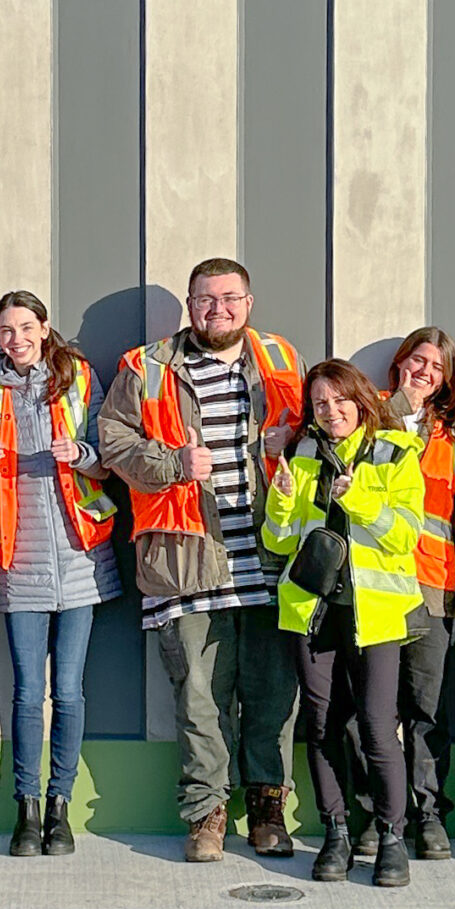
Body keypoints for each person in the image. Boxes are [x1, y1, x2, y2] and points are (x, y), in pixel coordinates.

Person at [99, 257, 307, 863]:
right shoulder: (146, 366)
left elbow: (323, 424)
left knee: (273, 694)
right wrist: (171, 465)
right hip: (183, 560)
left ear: (249, 301)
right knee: (198, 698)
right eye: (204, 299)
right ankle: (206, 813)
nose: (217, 309)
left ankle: (269, 805)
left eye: (228, 298)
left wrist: (289, 442)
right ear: (189, 305)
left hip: (271, 557)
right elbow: (113, 439)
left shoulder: (281, 359)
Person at [0, 290, 121, 858]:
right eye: (5, 330)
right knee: (29, 692)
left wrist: (78, 452)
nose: (16, 339)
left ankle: (61, 808)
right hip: (19, 554)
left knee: (71, 691)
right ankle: (26, 810)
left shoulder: (79, 377)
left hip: (80, 554)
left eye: (25, 327)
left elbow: (109, 458)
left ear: (45, 327)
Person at [261, 359, 425, 888]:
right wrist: (282, 500)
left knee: (378, 728)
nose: (330, 412)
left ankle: (391, 837)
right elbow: (279, 542)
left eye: (339, 400)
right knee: (322, 725)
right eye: (319, 404)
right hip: (312, 611)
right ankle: (335, 834)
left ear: (360, 399)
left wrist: (356, 496)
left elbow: (405, 537)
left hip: (373, 613)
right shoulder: (302, 454)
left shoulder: (396, 452)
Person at [349, 326, 455, 863]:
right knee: (367, 710)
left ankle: (427, 814)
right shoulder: (369, 413)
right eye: (417, 360)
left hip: (434, 584)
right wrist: (401, 405)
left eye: (436, 367)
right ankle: (377, 813)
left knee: (426, 707)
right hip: (375, 579)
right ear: (400, 364)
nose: (425, 371)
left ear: (447, 379)